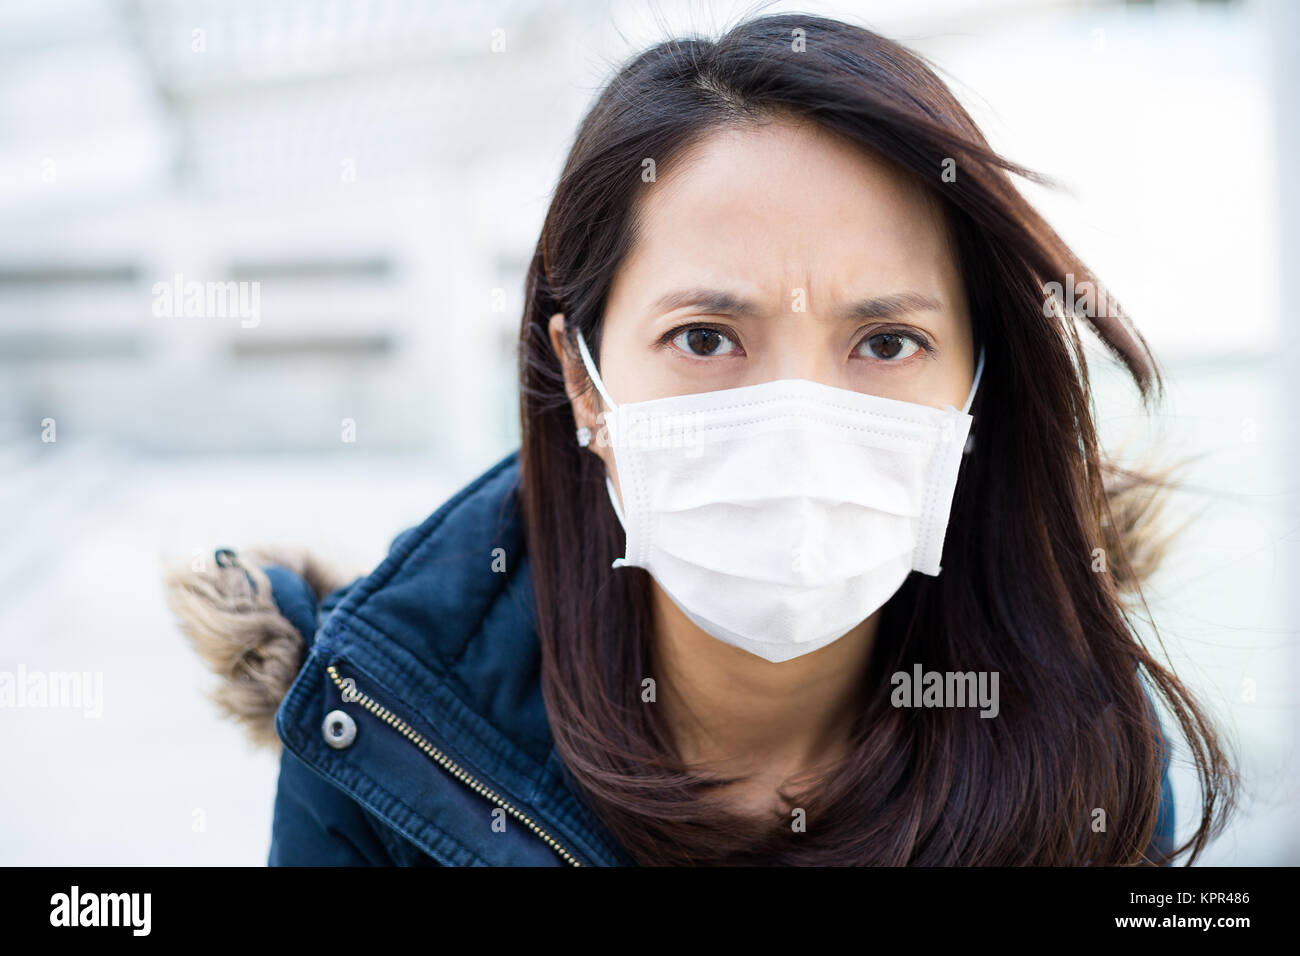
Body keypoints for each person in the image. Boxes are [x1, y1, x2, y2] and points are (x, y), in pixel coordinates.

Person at [164, 12, 1235, 866]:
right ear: (583, 380)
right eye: (707, 335)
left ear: (976, 387)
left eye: (887, 340)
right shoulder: (379, 732)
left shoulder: (1083, 743)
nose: (798, 421)